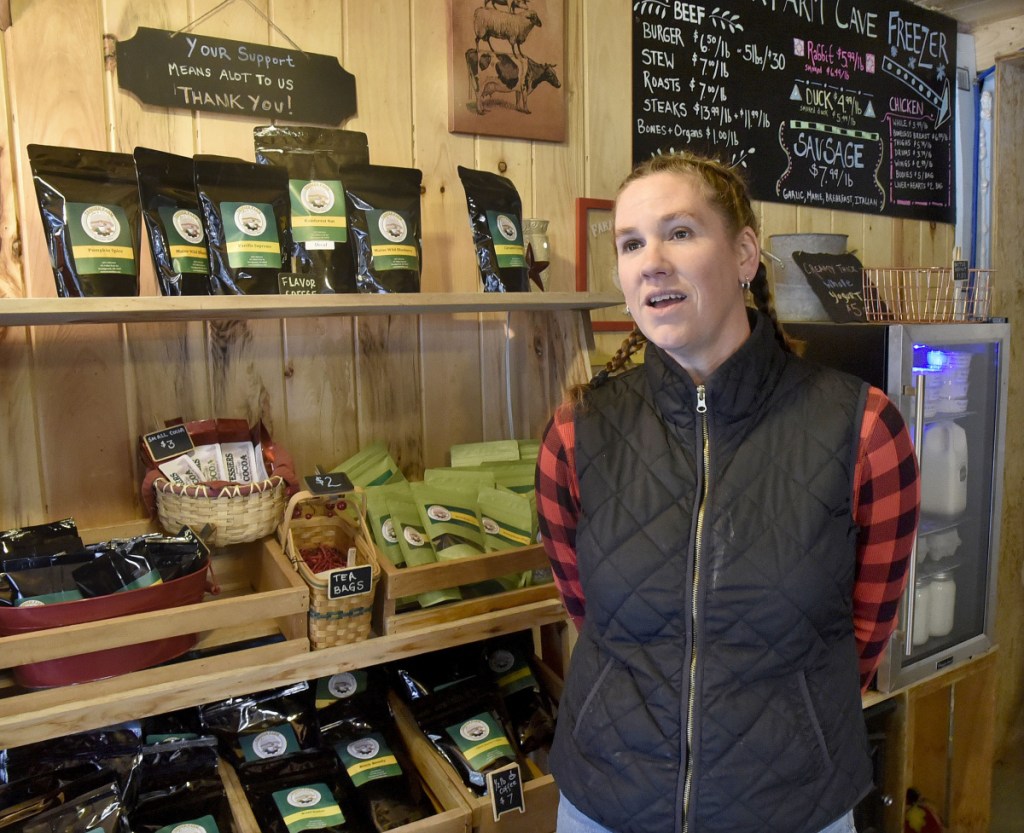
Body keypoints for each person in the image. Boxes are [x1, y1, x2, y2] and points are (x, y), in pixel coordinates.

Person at [535, 152, 920, 833]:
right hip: (607, 803)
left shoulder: (863, 429)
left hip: (792, 806)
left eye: (680, 232)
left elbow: (861, 637)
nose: (650, 259)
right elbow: (588, 613)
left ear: (745, 254)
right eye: (630, 243)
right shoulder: (577, 433)